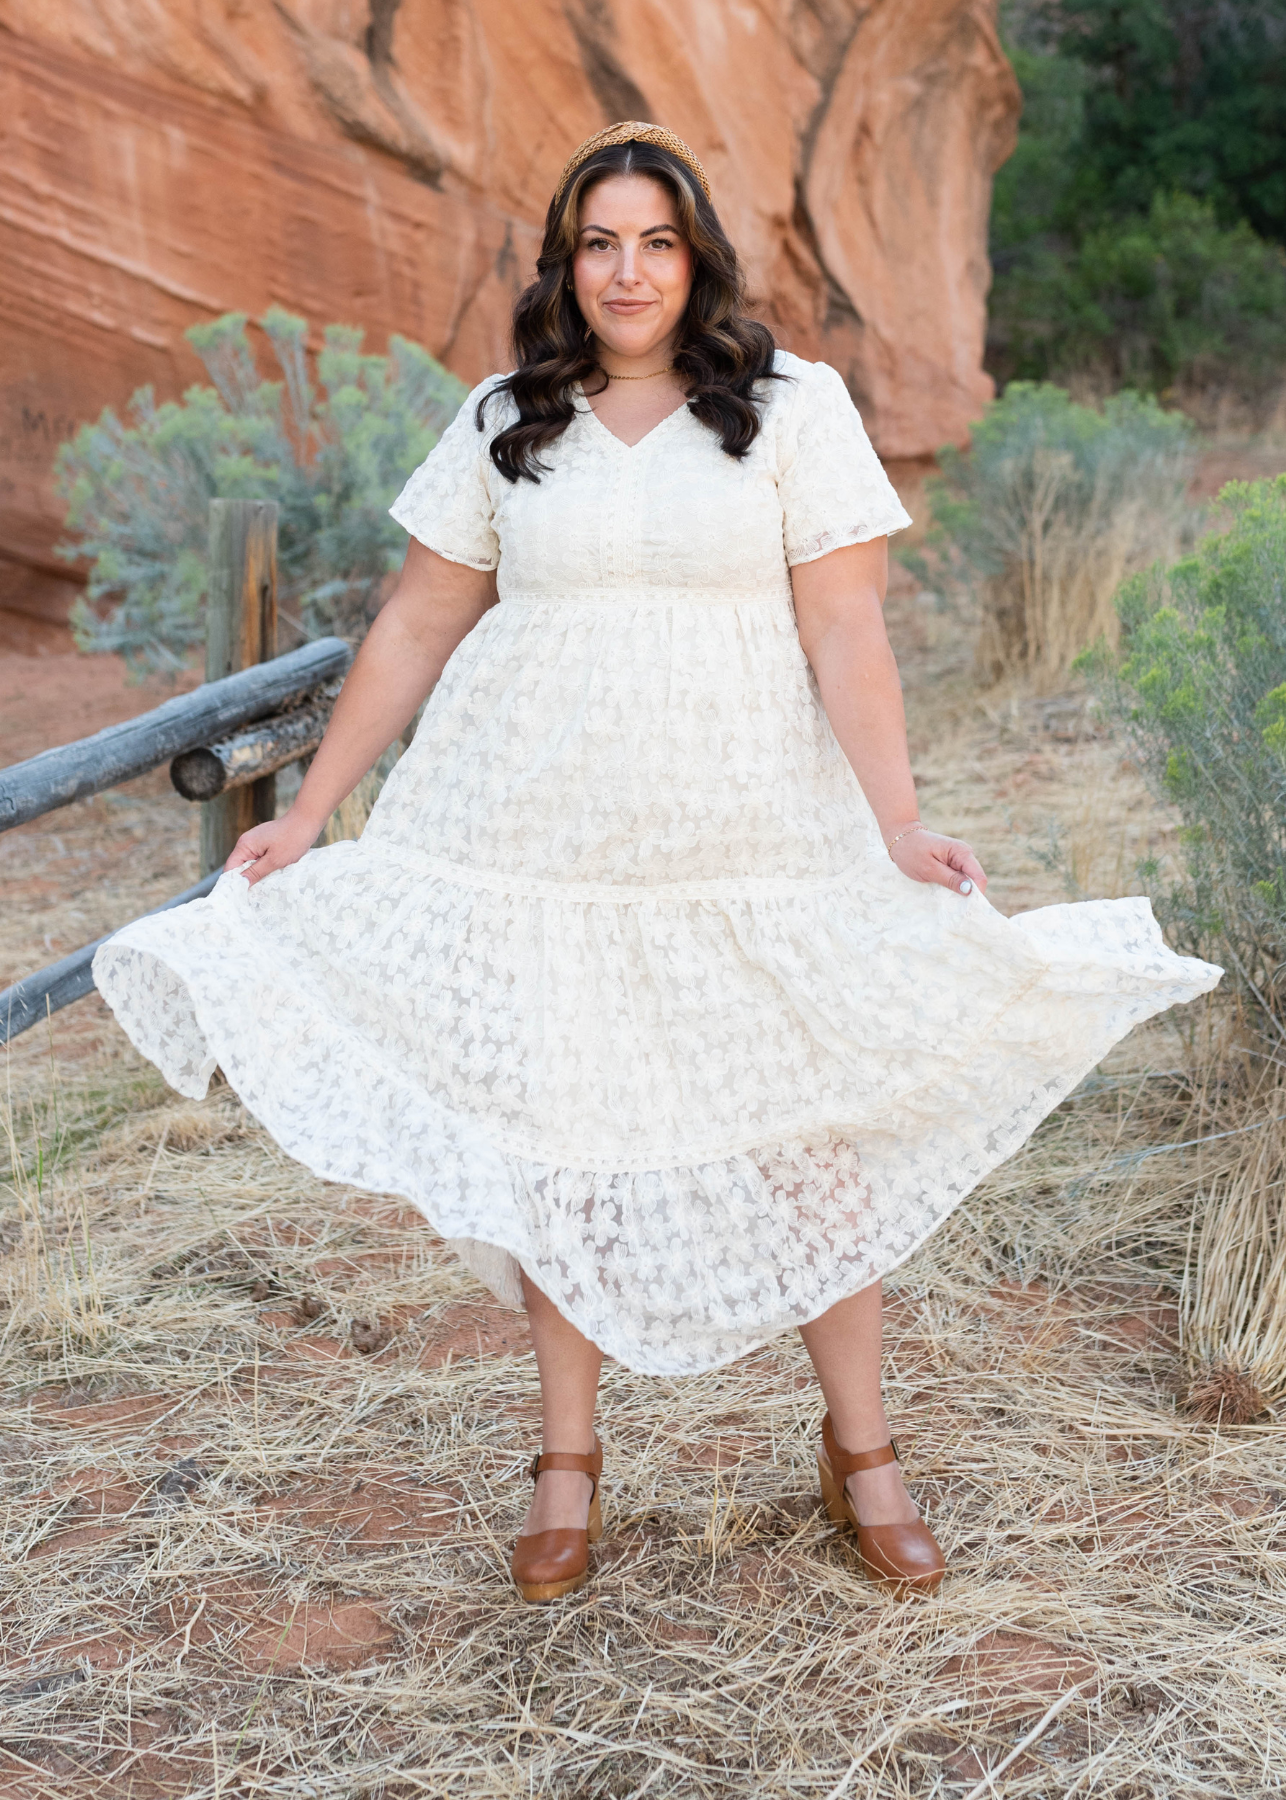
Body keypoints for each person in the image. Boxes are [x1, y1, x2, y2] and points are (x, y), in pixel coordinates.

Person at [94, 121, 1221, 1606]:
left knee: (809, 1136)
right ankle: (565, 1469)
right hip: (530, 828)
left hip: (749, 828)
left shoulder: (789, 408)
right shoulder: (508, 413)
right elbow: (421, 624)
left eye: (656, 241)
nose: (627, 272)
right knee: (563, 1140)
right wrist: (311, 813)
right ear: (566, 264)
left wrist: (893, 816)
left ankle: (861, 1455)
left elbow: (843, 627)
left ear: (697, 258)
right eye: (598, 244)